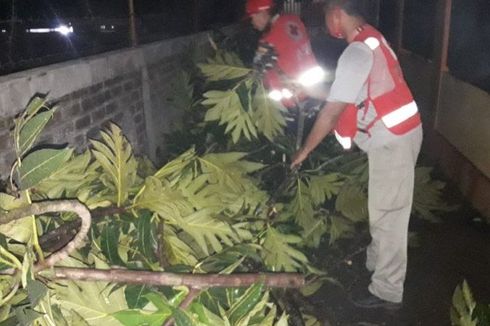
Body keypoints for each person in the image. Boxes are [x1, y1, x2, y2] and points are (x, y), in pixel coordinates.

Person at [291, 0, 423, 310]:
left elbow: (333, 109)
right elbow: (345, 92)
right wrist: (311, 91)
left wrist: (305, 150)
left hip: (393, 140)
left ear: (337, 12)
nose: (325, 23)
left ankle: (387, 292)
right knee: (384, 208)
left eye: (325, 14)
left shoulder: (356, 52)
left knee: (389, 216)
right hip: (399, 134)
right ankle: (374, 264)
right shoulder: (371, 38)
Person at [246, 0, 327, 112]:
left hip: (291, 103)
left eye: (252, 17)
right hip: (315, 93)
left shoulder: (269, 40)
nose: (252, 23)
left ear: (263, 13)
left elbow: (257, 72)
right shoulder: (294, 20)